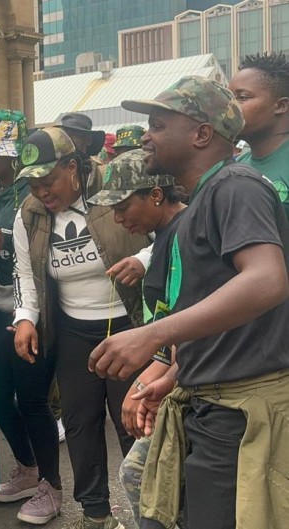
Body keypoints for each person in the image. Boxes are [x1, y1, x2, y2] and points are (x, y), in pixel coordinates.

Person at [91, 76, 289, 529]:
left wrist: (152, 333)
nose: (146, 136)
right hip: (210, 404)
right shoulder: (205, 200)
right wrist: (178, 375)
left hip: (241, 415)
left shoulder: (235, 187)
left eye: (159, 125)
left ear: (202, 134)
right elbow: (231, 317)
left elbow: (266, 281)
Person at [11, 127, 151, 529]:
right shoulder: (30, 213)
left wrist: (144, 258)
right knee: (79, 424)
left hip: (130, 328)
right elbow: (25, 272)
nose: (41, 191)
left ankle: (148, 512)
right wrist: (24, 319)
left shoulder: (117, 188)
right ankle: (95, 514)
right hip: (74, 333)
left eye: (48, 180)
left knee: (134, 423)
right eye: (33, 183)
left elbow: (169, 230)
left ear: (72, 167)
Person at [84, 150, 185, 527]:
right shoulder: (161, 240)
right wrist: (146, 380)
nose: (118, 217)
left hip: (195, 383)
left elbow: (193, 326)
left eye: (124, 205)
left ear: (155, 195)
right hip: (173, 373)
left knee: (145, 476)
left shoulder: (186, 236)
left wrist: (161, 380)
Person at [0, 110, 62, 525]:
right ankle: (26, 468)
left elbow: (40, 252)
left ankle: (51, 485)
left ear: (14, 157)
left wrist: (3, 242)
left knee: (30, 399)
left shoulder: (34, 191)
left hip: (35, 309)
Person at [230, 52, 289, 219]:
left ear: (280, 106)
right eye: (229, 98)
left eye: (242, 98)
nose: (230, 107)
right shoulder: (238, 165)